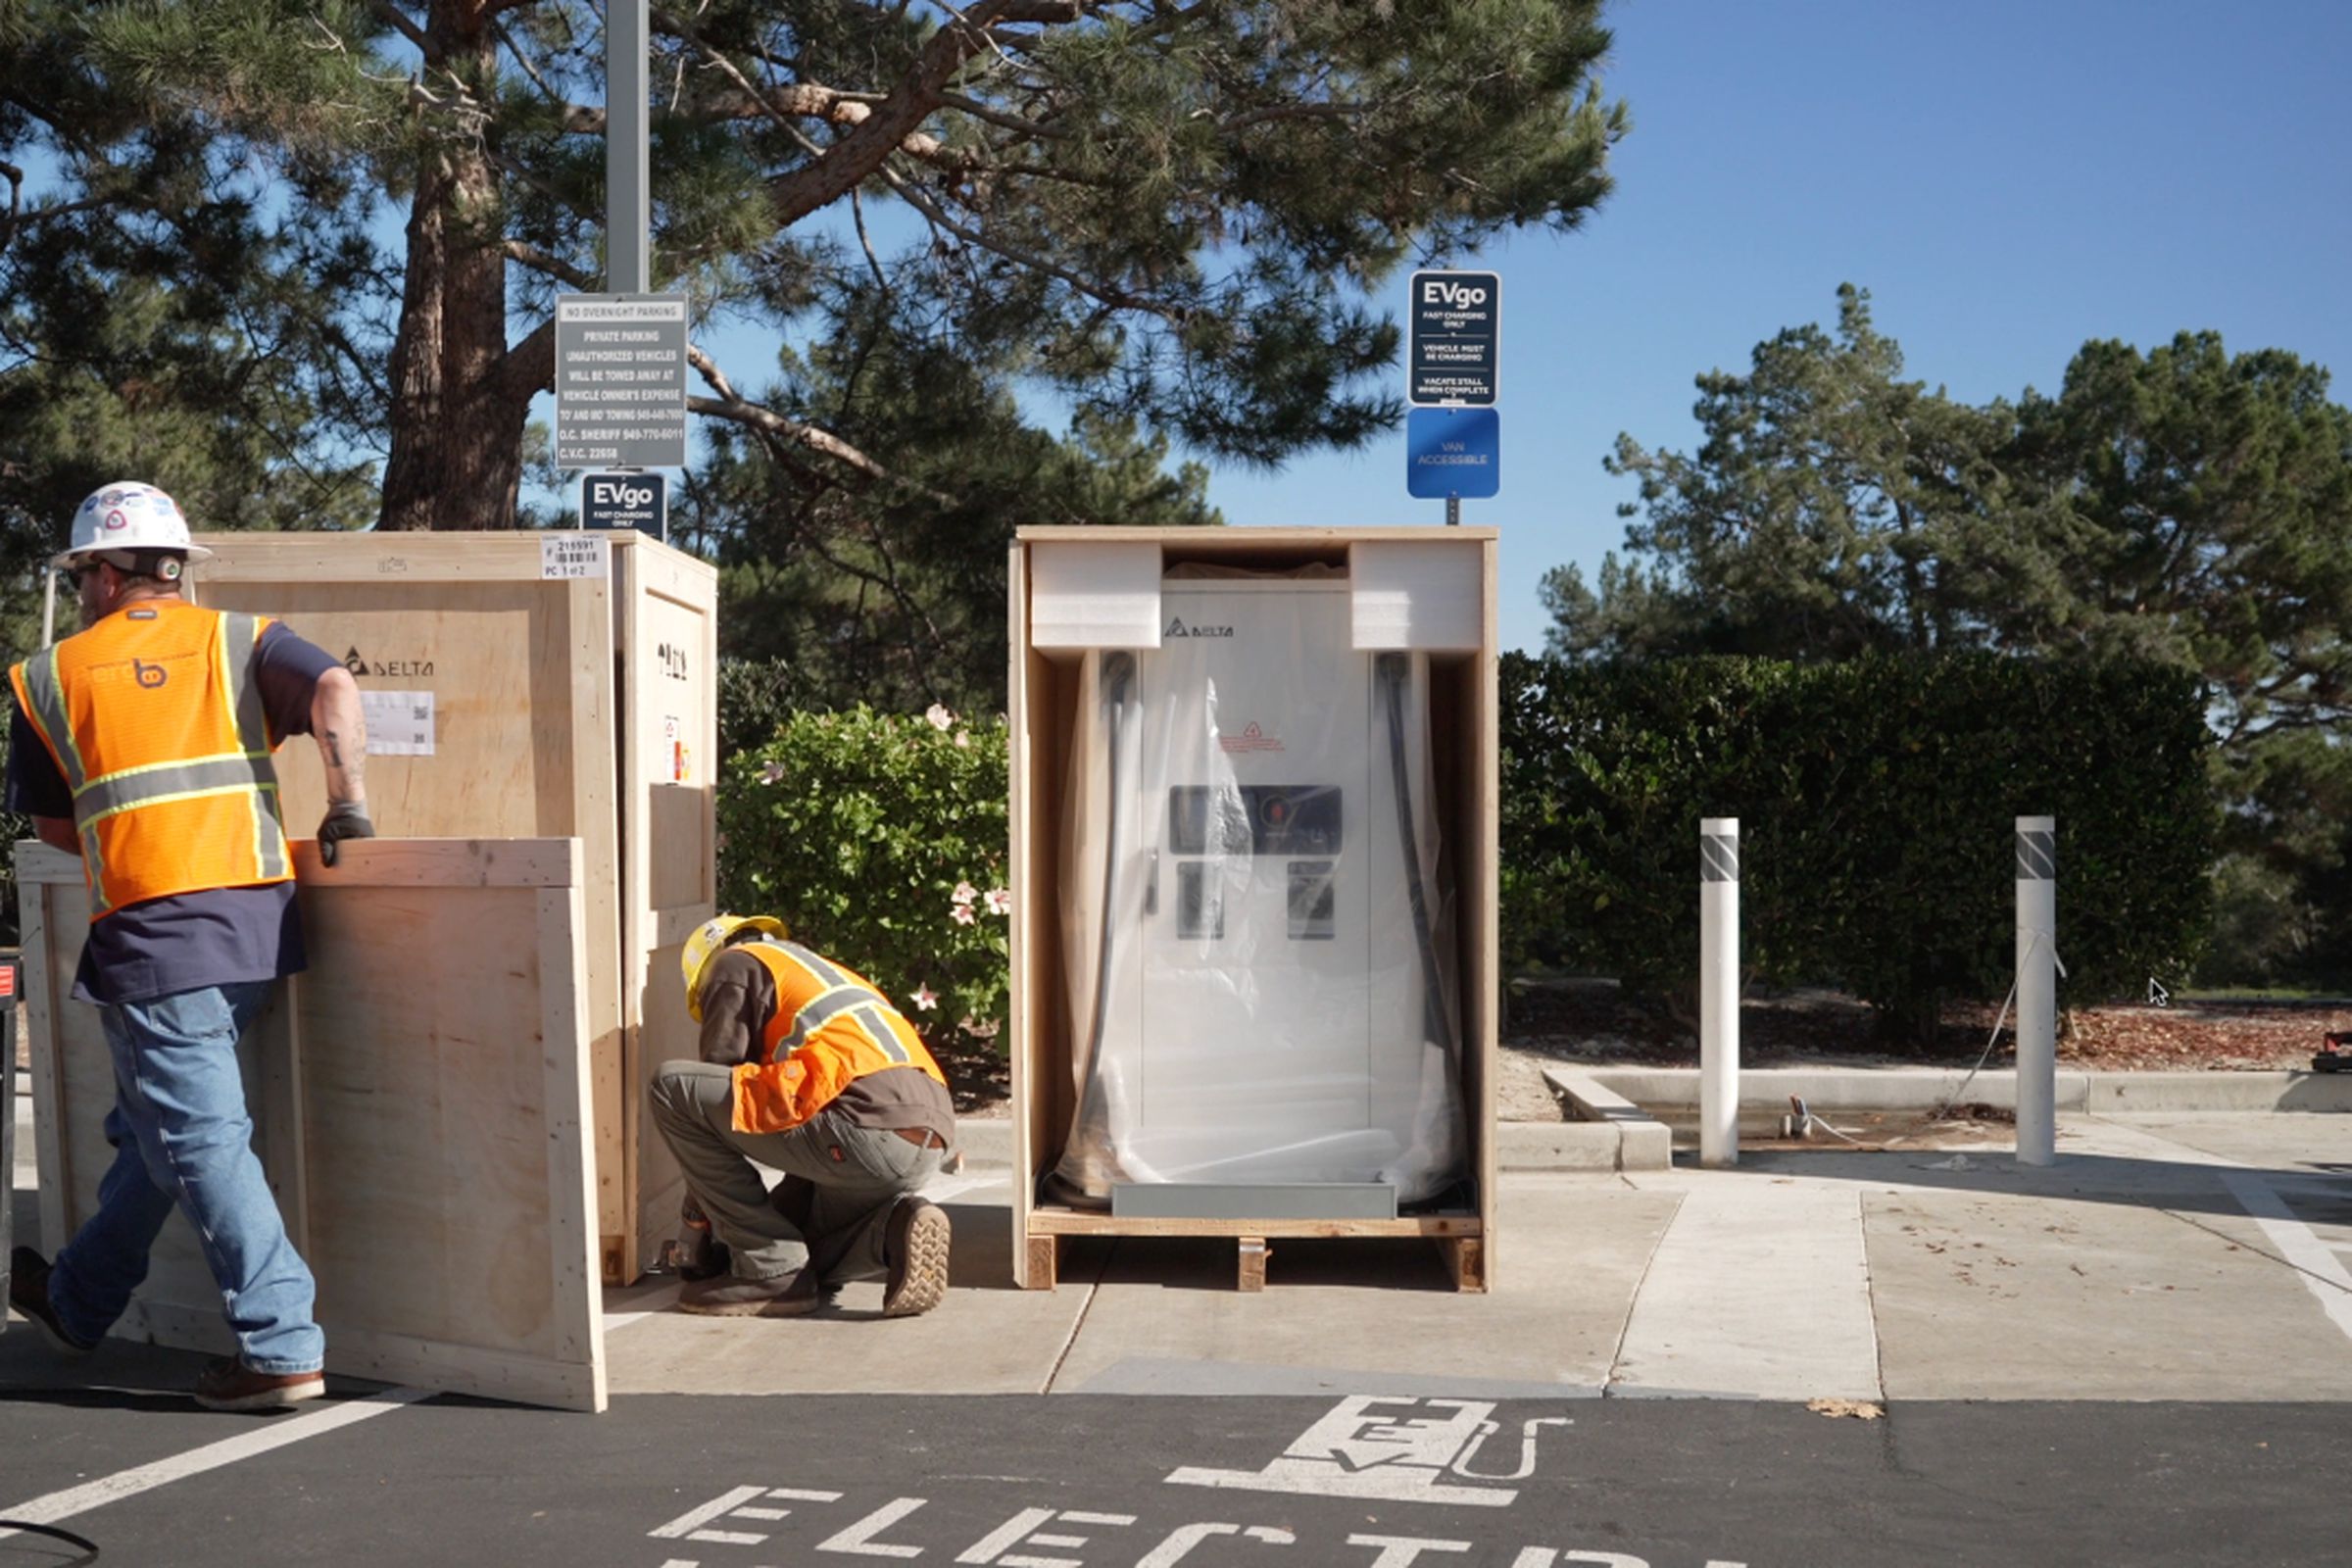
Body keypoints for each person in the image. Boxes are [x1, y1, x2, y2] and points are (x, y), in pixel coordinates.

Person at [3, 480, 375, 1412]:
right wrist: (348, 805)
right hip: (257, 929)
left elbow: (54, 829)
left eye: (82, 571)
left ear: (99, 572)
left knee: (199, 1141)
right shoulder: (239, 638)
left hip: (153, 938)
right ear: (174, 569)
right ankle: (77, 1298)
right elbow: (335, 685)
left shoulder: (45, 675)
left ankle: (282, 1346)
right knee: (158, 1136)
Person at [650, 914, 955, 1318]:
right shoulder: (825, 977)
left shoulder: (735, 963)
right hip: (925, 1138)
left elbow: (716, 1098)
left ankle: (766, 1270)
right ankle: (892, 1232)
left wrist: (695, 1225)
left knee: (672, 1087)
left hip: (861, 1124)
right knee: (798, 1248)